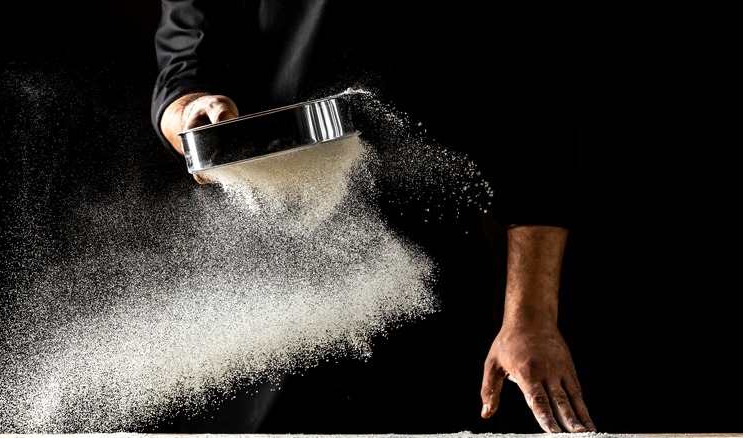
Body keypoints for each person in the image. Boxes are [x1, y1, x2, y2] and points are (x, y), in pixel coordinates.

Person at [150, 0, 596, 434]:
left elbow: (538, 129)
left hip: (429, 297)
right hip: (262, 300)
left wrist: (530, 318)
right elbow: (186, 65)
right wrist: (190, 112)